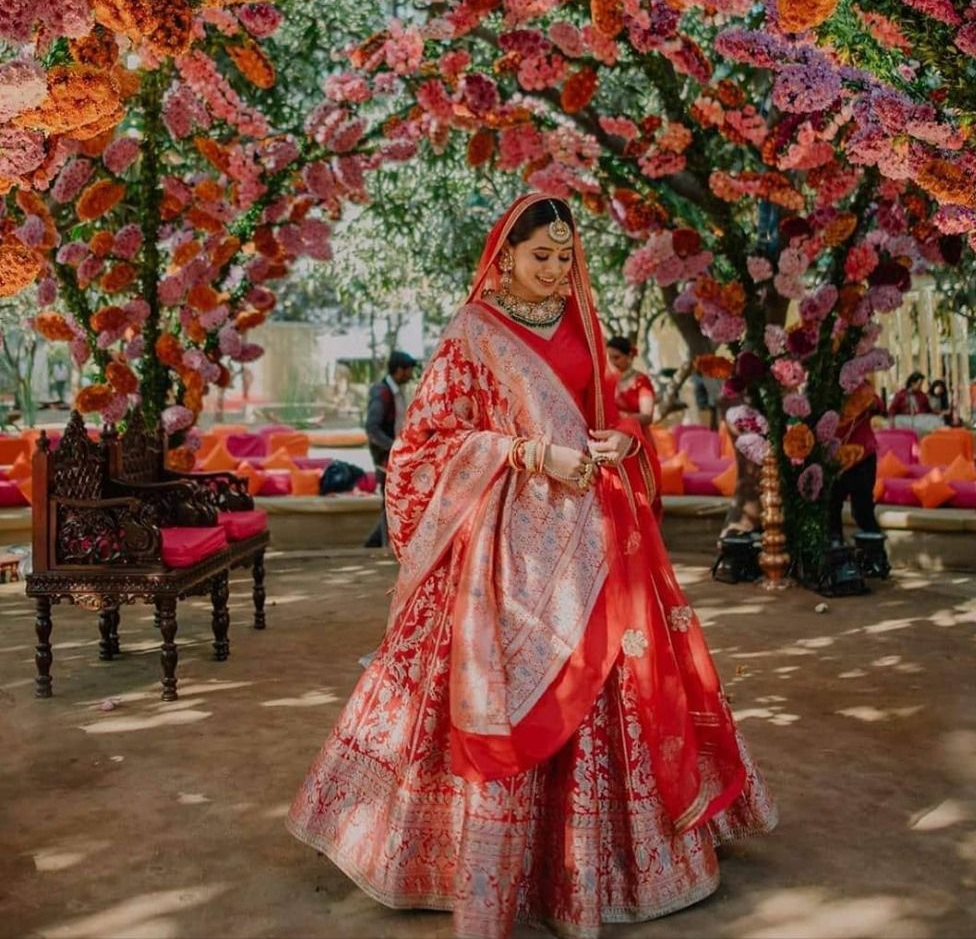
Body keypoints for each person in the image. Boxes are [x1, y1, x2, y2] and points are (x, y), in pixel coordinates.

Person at [288, 195, 776, 938]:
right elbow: (421, 448)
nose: (554, 271)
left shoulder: (579, 325)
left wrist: (621, 444)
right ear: (504, 255)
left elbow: (604, 416)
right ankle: (466, 865)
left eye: (563, 257)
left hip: (591, 532)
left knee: (613, 682)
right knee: (489, 692)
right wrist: (523, 453)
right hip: (497, 553)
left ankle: (600, 868)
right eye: (539, 257)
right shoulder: (471, 336)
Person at [363, 348, 417, 548]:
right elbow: (372, 428)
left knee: (395, 501)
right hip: (386, 458)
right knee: (390, 502)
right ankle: (385, 547)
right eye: (410, 370)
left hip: (398, 456)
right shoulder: (382, 393)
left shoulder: (398, 392)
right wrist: (393, 447)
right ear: (400, 370)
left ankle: (372, 545)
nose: (411, 375)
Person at [606, 334, 662, 515]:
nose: (613, 361)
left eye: (617, 357)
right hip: (613, 441)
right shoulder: (606, 380)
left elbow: (647, 415)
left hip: (638, 442)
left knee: (642, 492)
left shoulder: (641, 381)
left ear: (630, 356)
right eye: (609, 357)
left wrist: (619, 418)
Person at [829, 379, 884, 546]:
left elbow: (878, 405)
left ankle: (875, 556)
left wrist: (865, 401)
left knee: (862, 511)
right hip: (833, 458)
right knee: (831, 510)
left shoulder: (858, 380)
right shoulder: (822, 384)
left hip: (862, 456)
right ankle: (836, 555)